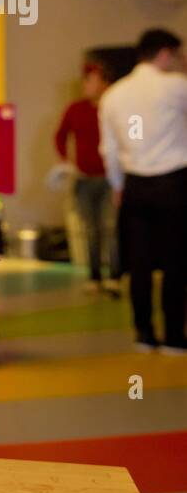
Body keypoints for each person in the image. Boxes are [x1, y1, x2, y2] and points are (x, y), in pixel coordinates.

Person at [98, 28, 187, 353]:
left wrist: (119, 186)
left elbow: (107, 149)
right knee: (177, 262)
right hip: (174, 182)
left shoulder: (114, 94)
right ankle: (175, 337)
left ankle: (143, 333)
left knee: (140, 263)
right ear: (165, 53)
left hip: (135, 184)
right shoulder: (177, 87)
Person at [54, 63, 118, 294]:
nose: (86, 85)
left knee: (110, 228)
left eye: (90, 80)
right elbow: (60, 136)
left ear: (104, 83)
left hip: (111, 179)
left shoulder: (114, 108)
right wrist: (65, 161)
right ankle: (94, 276)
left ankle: (114, 276)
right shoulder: (76, 109)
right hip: (83, 179)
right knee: (90, 229)